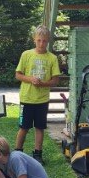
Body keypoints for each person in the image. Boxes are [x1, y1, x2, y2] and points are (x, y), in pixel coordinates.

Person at [15, 25, 61, 163]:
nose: (41, 44)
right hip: (26, 99)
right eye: (39, 40)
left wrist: (43, 84)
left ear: (48, 41)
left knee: (40, 128)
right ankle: (17, 153)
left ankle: (37, 154)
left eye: (44, 41)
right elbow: (18, 75)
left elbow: (55, 81)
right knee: (24, 127)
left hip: (42, 100)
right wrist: (30, 79)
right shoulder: (26, 54)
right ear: (34, 39)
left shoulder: (52, 58)